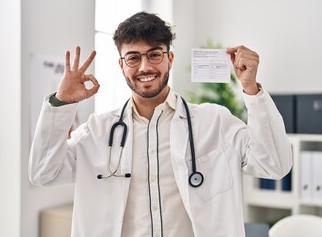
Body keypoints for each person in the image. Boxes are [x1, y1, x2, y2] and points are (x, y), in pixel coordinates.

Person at [29, 12, 293, 237]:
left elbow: (275, 164)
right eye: (133, 57)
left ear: (170, 59)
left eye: (155, 54)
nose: (145, 66)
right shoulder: (97, 132)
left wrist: (252, 91)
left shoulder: (215, 122)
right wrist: (61, 103)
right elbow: (43, 173)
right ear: (121, 66)